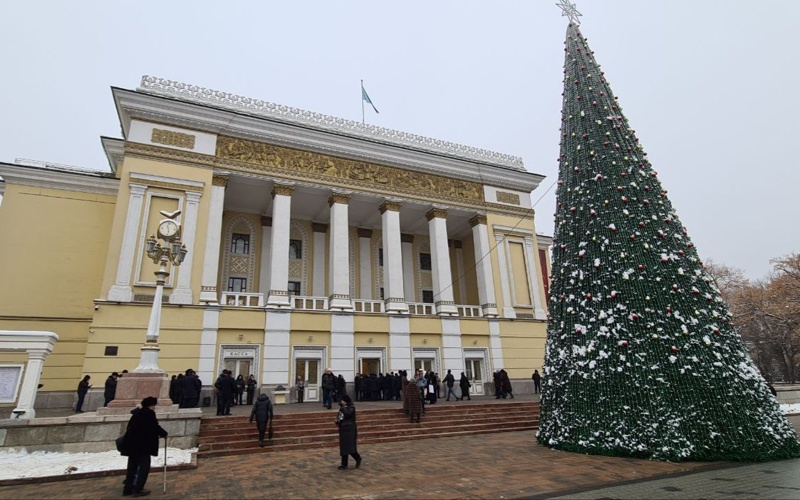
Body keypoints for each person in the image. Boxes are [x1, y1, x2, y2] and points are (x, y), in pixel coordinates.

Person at [122, 396, 168, 497]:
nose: (154, 407)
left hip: (132, 445)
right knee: (144, 467)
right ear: (151, 405)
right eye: (154, 405)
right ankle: (138, 489)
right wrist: (164, 433)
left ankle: (127, 489)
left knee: (132, 467)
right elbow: (154, 426)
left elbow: (129, 426)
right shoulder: (149, 414)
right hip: (143, 446)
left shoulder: (136, 413)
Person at [335, 394, 362, 470]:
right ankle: (344, 464)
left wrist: (342, 407)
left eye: (342, 400)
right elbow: (340, 416)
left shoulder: (351, 408)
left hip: (350, 429)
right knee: (344, 447)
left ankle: (357, 458)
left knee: (350, 447)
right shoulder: (342, 408)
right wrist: (337, 421)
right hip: (343, 429)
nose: (341, 402)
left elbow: (348, 414)